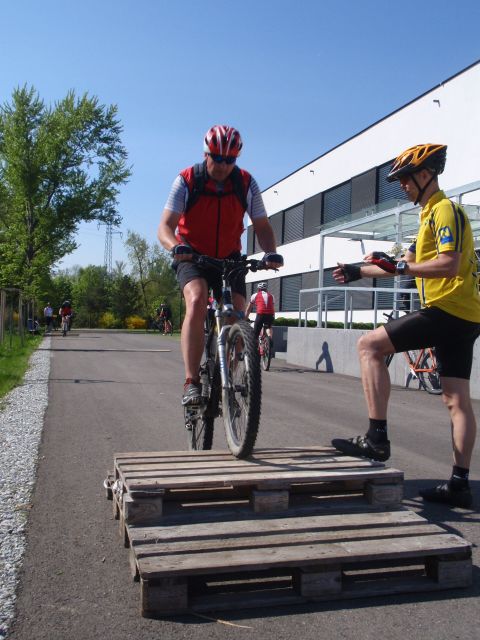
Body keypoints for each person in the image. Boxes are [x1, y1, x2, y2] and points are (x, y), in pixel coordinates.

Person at [332, 143, 480, 509]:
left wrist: (399, 266)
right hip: (465, 314)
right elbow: (402, 263)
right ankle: (459, 485)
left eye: (406, 178)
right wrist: (357, 271)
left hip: (447, 309)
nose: (403, 185)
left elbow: (447, 264)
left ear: (426, 174)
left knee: (369, 346)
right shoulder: (429, 215)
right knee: (456, 398)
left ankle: (376, 437)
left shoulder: (444, 210)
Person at [157, 124, 283, 405]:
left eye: (230, 160)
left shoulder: (246, 183)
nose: (224, 165)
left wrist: (271, 253)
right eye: (218, 158)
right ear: (206, 154)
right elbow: (165, 226)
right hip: (192, 256)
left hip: (229, 258)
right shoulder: (187, 180)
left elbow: (262, 225)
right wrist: (175, 246)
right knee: (197, 299)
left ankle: (228, 376)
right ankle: (192, 381)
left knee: (237, 313)